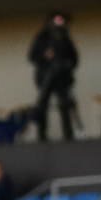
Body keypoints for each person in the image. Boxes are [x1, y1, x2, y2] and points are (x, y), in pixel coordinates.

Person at [29, 12, 80, 141]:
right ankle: (41, 135)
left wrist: (67, 65)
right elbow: (32, 56)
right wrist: (45, 56)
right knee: (43, 105)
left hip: (62, 79)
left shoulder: (65, 39)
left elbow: (74, 58)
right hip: (45, 77)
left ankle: (68, 134)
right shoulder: (42, 38)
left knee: (64, 104)